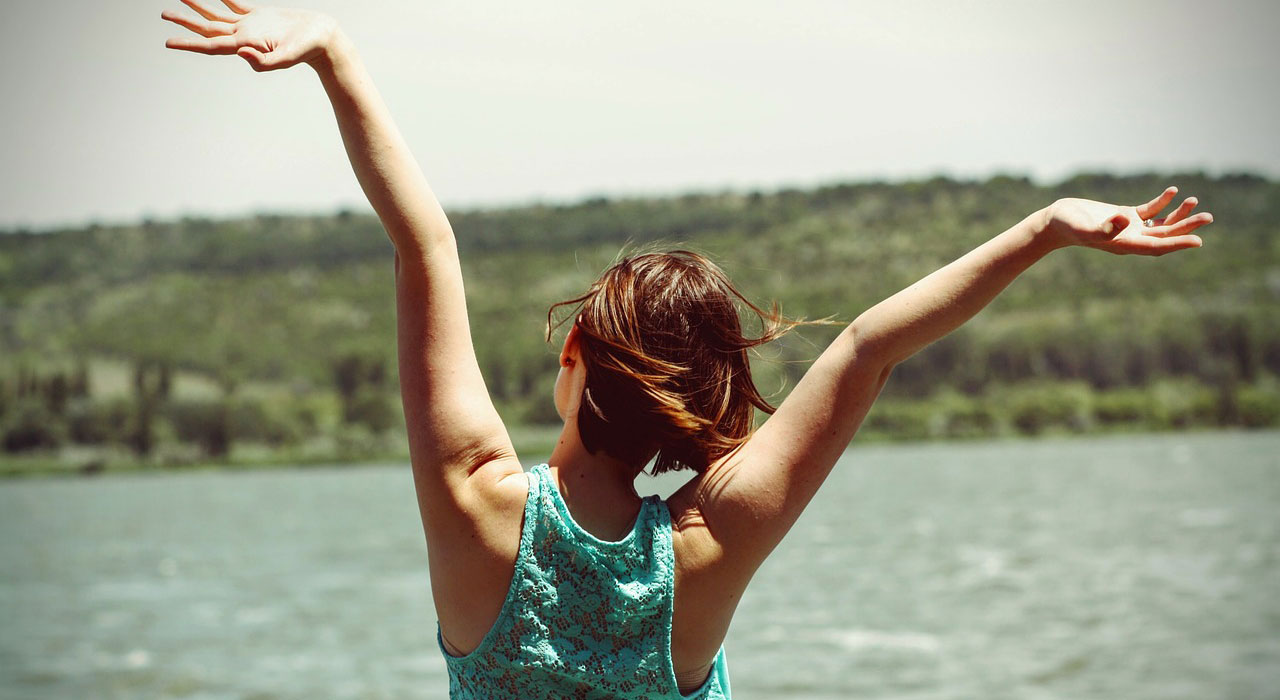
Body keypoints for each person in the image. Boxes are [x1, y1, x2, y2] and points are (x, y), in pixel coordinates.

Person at [163, 2, 1214, 698]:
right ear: (711, 401)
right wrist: (1046, 229)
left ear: (573, 352)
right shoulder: (709, 545)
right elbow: (865, 346)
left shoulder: (477, 507)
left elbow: (421, 241)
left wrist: (336, 61)